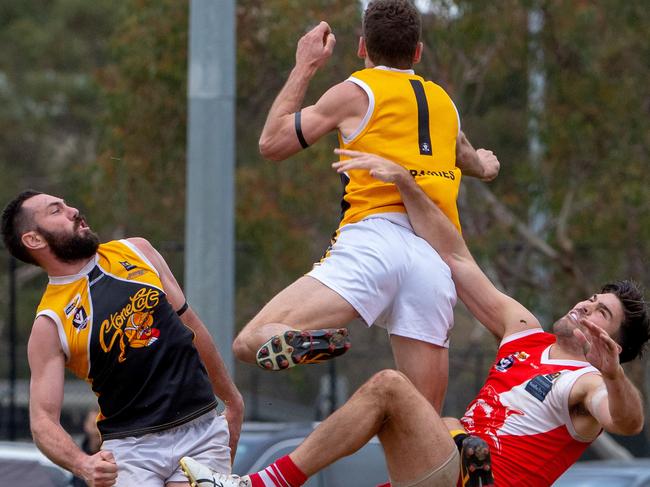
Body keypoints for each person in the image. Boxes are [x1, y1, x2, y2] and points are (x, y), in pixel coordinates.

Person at [180, 150, 649, 486]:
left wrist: (612, 376)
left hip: (463, 477)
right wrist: (404, 183)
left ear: (613, 345)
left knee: (392, 389)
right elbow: (456, 256)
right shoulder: (524, 331)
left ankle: (259, 486)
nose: (586, 305)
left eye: (601, 313)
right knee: (435, 418)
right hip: (445, 469)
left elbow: (628, 423)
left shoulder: (588, 382)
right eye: (591, 298)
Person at [234, 0, 500, 411]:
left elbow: (272, 143)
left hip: (374, 241)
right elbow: (470, 157)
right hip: (436, 259)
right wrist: (487, 165)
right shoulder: (444, 104)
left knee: (251, 341)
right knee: (422, 420)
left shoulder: (356, 90)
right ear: (417, 52)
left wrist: (305, 64)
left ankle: (307, 341)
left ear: (362, 47)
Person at [1, 190, 245, 487]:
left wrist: (232, 400)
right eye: (56, 211)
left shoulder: (138, 251)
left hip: (201, 430)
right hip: (130, 450)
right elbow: (42, 420)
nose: (73, 210)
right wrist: (83, 464)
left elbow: (191, 327)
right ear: (34, 240)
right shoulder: (49, 322)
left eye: (67, 204)